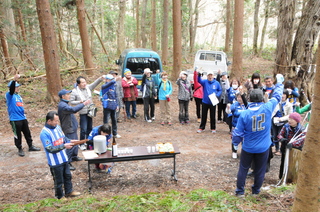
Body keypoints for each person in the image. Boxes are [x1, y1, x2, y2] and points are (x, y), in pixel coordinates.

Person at [232, 74, 284, 197]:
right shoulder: (267, 107)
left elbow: (238, 133)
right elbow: (277, 96)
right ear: (262, 99)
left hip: (248, 147)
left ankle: (240, 191)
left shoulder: (245, 114)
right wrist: (280, 83)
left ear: (249, 99)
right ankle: (256, 191)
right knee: (260, 170)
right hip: (263, 147)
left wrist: (235, 143)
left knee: (243, 169)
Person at [40, 111, 81, 199]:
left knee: (67, 176)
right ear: (49, 121)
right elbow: (50, 148)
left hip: (64, 158)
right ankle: (60, 196)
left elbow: (63, 138)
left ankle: (69, 191)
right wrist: (64, 146)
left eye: (57, 121)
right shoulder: (44, 133)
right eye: (55, 121)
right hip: (55, 162)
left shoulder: (57, 127)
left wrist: (70, 141)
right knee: (58, 181)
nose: (57, 122)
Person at [5, 74, 41, 157]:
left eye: (18, 87)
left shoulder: (18, 96)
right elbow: (11, 90)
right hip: (15, 119)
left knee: (27, 132)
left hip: (22, 118)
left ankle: (30, 146)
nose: (18, 88)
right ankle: (20, 148)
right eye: (16, 87)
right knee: (17, 135)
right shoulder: (9, 95)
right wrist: (14, 80)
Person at [58, 89, 90, 170]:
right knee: (70, 144)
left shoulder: (65, 103)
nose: (69, 96)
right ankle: (67, 162)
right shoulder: (62, 105)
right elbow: (73, 110)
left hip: (72, 126)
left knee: (75, 142)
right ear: (63, 96)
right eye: (68, 94)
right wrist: (83, 104)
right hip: (68, 128)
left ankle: (74, 156)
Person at [70, 76, 103, 150]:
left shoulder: (88, 88)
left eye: (85, 82)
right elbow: (71, 101)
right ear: (78, 84)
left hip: (90, 110)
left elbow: (95, 84)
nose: (84, 84)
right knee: (83, 129)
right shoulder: (75, 91)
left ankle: (89, 142)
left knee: (90, 128)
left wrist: (100, 78)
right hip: (83, 111)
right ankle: (82, 143)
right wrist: (79, 102)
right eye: (82, 82)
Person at [277, 112, 306, 179]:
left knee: (293, 164)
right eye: (289, 118)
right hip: (285, 149)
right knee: (283, 163)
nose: (289, 121)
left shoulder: (301, 129)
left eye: (292, 119)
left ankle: (291, 179)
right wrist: (281, 139)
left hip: (295, 150)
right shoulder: (286, 126)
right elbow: (280, 134)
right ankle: (281, 178)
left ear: (296, 121)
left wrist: (292, 144)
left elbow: (301, 140)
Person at [272, 89, 293, 155]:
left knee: (281, 135)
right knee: (274, 135)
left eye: (284, 94)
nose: (282, 96)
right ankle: (277, 148)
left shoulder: (289, 105)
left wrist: (281, 119)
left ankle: (281, 150)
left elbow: (290, 114)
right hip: (274, 121)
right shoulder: (276, 102)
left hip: (283, 122)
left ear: (287, 95)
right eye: (281, 94)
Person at [101, 74, 121, 138]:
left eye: (111, 79)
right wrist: (115, 79)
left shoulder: (114, 87)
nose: (111, 81)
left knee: (114, 120)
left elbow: (116, 96)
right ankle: (105, 133)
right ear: (106, 80)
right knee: (106, 120)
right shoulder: (104, 86)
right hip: (107, 106)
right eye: (109, 79)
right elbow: (109, 84)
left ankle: (114, 133)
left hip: (113, 105)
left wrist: (117, 105)